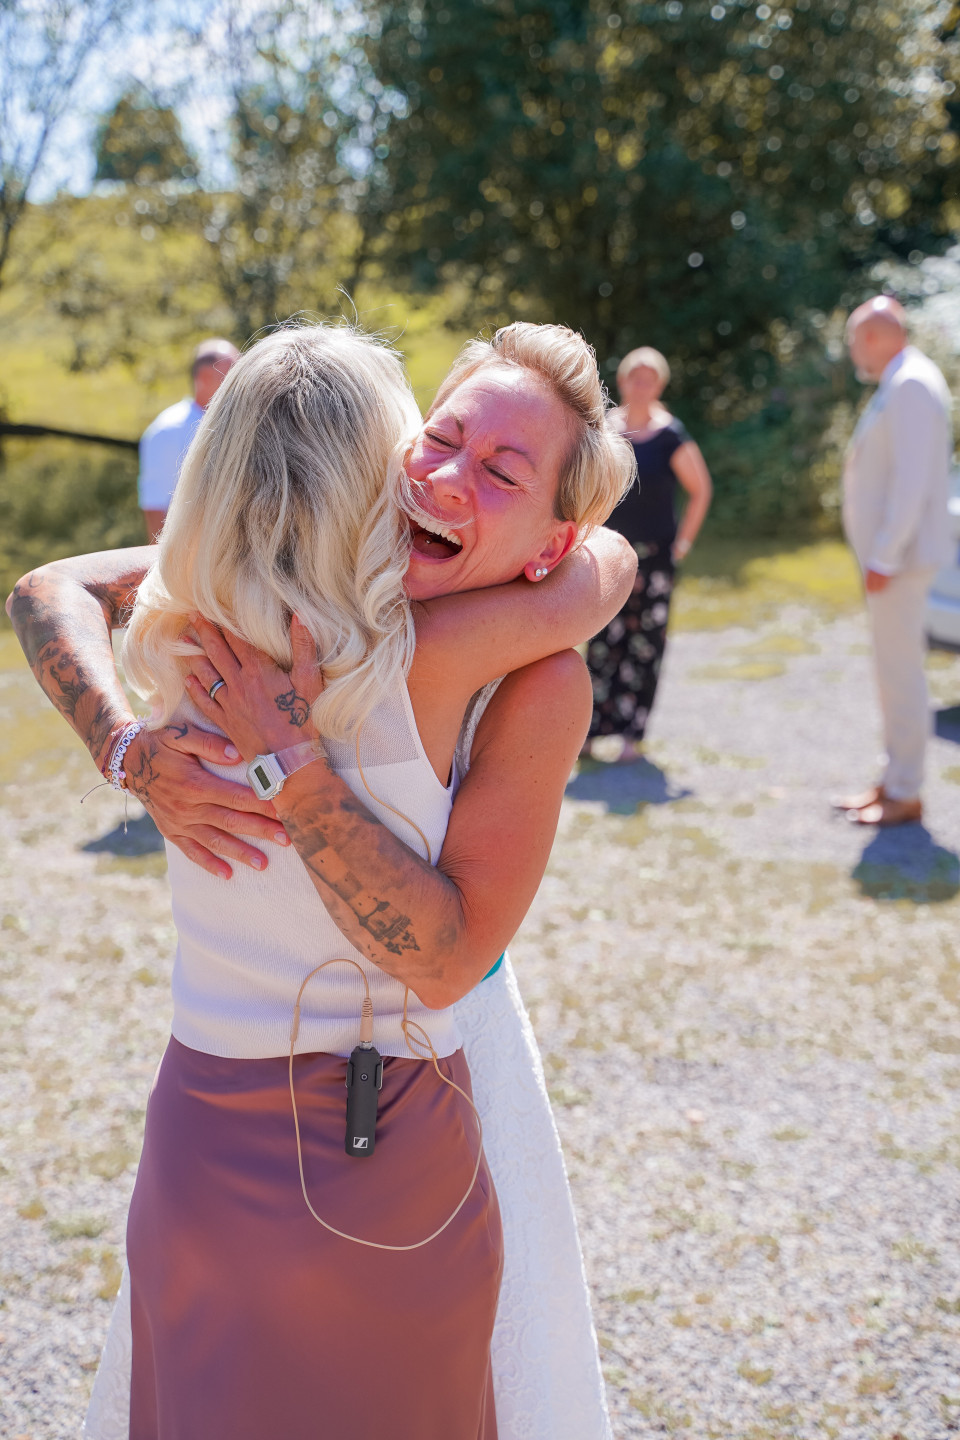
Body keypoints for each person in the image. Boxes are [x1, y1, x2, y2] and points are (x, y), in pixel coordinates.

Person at [8, 320, 636, 1439]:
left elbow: (49, 585)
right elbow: (46, 584)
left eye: (500, 470)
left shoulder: (220, 614)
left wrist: (183, 752)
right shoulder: (326, 619)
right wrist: (134, 750)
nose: (446, 476)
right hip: (348, 1140)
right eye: (439, 438)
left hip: (280, 1127)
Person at [835, 296, 953, 827]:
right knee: (890, 672)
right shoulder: (901, 380)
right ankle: (891, 780)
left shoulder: (910, 385)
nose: (852, 349)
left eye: (856, 338)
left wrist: (884, 555)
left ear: (878, 335)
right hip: (892, 561)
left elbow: (911, 484)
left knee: (900, 674)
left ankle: (905, 791)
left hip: (899, 562)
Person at [585, 346, 712, 762]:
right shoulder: (606, 429)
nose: (641, 385)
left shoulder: (670, 434)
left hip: (655, 558)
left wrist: (683, 544)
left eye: (649, 378)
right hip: (609, 555)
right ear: (622, 381)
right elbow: (588, 487)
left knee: (646, 643)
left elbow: (700, 490)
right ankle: (587, 734)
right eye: (633, 377)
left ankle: (631, 735)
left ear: (659, 384)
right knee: (603, 640)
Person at [138, 337, 240, 542]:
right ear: (203, 377)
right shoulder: (167, 430)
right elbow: (155, 505)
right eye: (231, 372)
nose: (239, 379)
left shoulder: (240, 421)